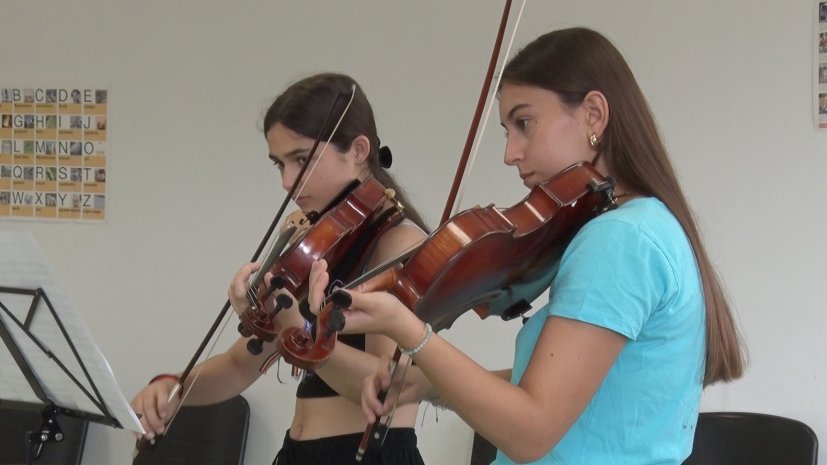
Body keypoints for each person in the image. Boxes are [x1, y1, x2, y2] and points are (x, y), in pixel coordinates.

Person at [309, 28, 746, 465]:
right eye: (505, 130)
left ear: (593, 114)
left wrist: (408, 330)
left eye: (524, 123)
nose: (510, 152)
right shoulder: (650, 226)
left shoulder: (619, 239)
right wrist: (425, 386)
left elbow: (531, 431)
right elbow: (564, 393)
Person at [130, 73, 428, 465]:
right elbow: (241, 364)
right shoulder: (316, 239)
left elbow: (383, 389)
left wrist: (293, 327)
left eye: (302, 159)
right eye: (280, 164)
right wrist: (175, 388)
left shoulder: (397, 243)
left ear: (358, 150)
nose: (288, 182)